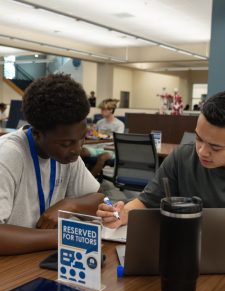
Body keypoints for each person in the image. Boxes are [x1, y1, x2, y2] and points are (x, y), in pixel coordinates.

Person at [0, 74, 104, 255]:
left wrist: (71, 205)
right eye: (66, 143)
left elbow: (100, 200)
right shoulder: (8, 156)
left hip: (38, 258)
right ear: (37, 134)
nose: (77, 149)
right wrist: (64, 235)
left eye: (82, 139)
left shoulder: (68, 156)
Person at [97, 91, 225, 228]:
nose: (202, 151)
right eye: (198, 138)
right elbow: (146, 202)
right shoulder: (181, 158)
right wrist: (123, 214)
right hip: (181, 242)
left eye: (215, 147)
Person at [81, 99, 125, 177]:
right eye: (101, 109)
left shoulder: (119, 124)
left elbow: (116, 139)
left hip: (111, 150)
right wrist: (90, 132)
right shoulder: (100, 122)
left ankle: (91, 180)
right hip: (97, 147)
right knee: (81, 151)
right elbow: (95, 136)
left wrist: (101, 135)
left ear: (111, 110)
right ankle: (81, 176)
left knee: (102, 157)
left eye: (103, 109)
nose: (101, 111)